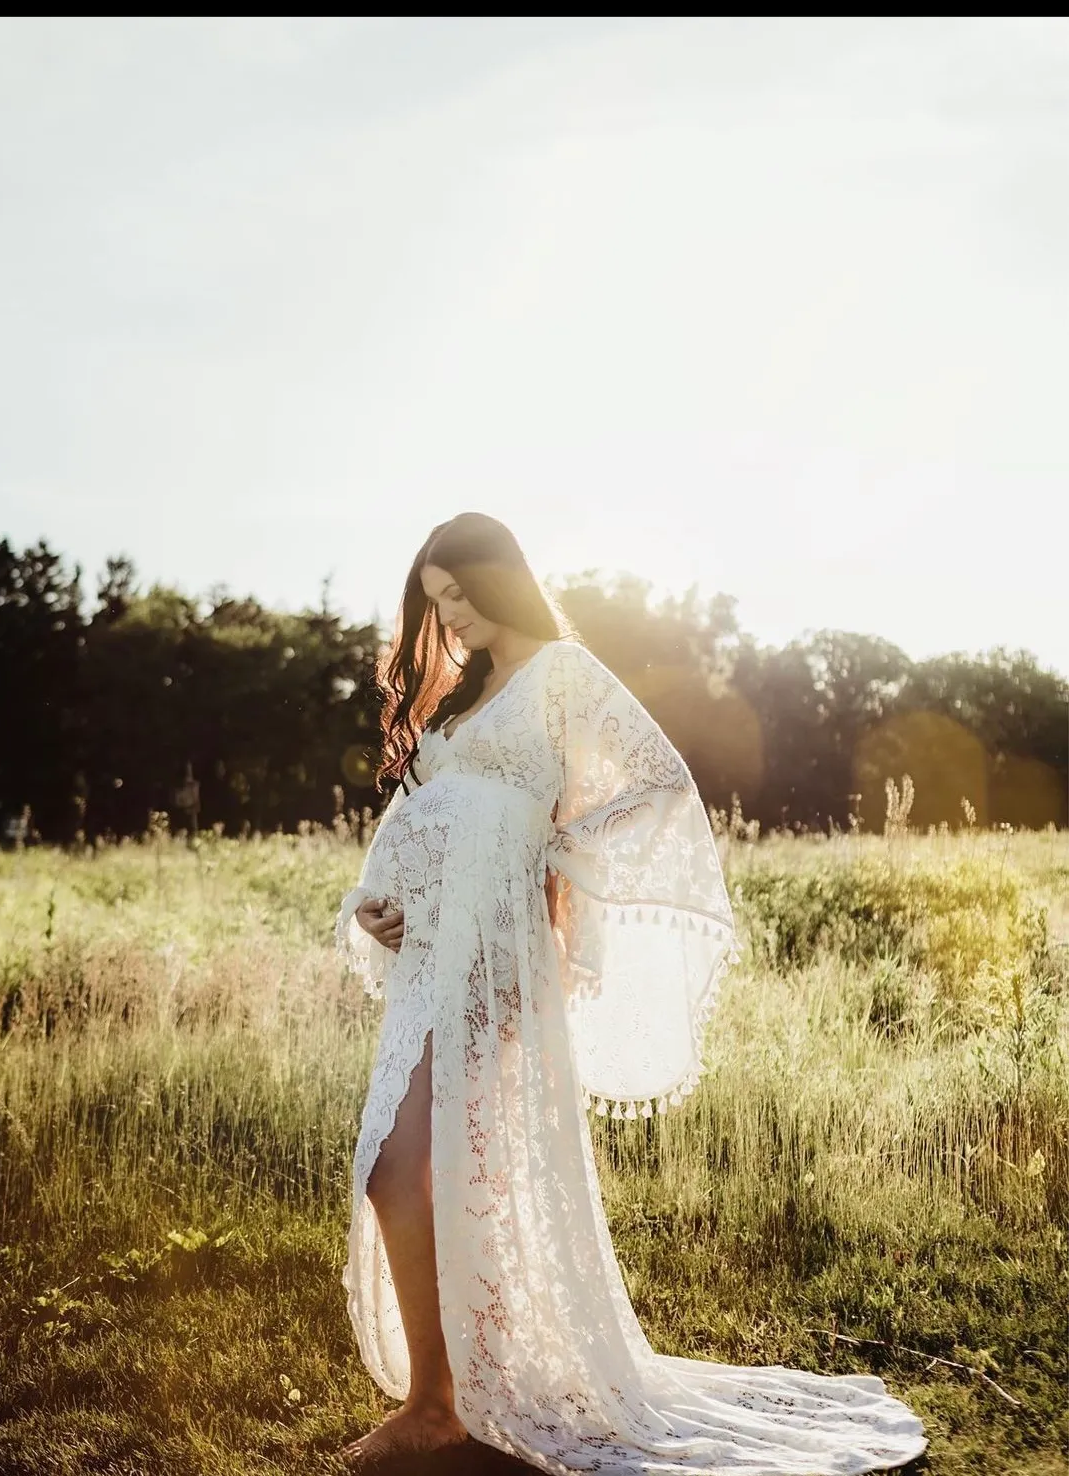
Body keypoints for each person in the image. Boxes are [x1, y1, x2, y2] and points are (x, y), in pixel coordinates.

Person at [333, 511, 929, 1472]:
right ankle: (443, 1394)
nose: (450, 619)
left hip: (495, 957)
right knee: (403, 1168)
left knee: (425, 1168)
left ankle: (437, 1401)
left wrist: (554, 848)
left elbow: (658, 781)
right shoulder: (458, 702)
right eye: (434, 603)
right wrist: (372, 903)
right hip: (427, 959)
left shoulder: (561, 676)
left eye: (459, 594)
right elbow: (409, 821)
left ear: (500, 577)